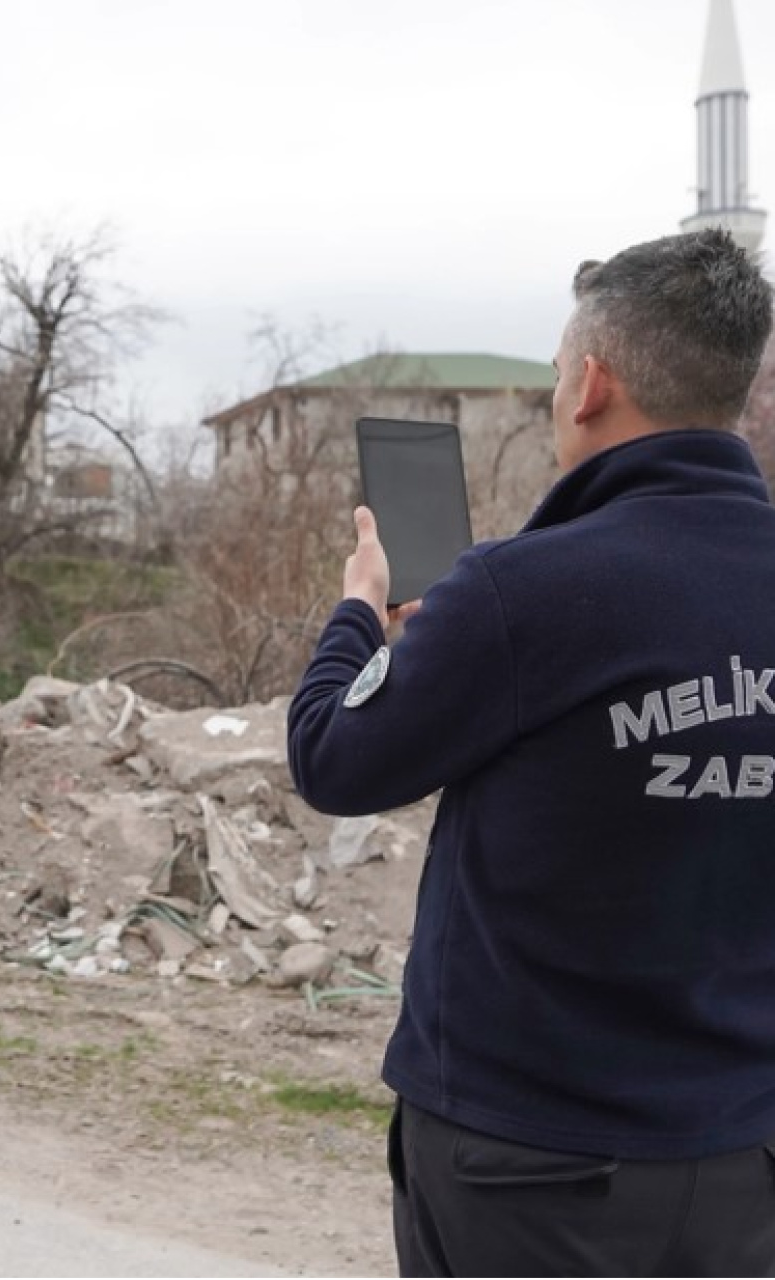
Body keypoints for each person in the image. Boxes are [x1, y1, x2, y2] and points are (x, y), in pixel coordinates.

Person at [287, 228, 775, 1278]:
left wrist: (355, 615)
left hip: (529, 1166)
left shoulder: (519, 590)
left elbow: (332, 757)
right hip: (741, 1155)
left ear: (590, 382)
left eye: (556, 374)